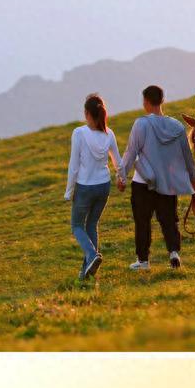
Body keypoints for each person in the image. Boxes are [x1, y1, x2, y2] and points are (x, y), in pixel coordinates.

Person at [119, 85, 195, 270]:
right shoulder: (177, 127)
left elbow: (131, 152)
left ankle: (143, 261)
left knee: (142, 222)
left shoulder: (141, 124)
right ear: (163, 101)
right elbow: (187, 155)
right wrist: (194, 177)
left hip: (143, 182)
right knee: (169, 219)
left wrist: (121, 177)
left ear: (146, 102)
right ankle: (174, 253)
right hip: (168, 183)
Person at [64, 94, 125, 280]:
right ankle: (86, 273)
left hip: (85, 187)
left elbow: (74, 165)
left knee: (76, 225)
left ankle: (92, 256)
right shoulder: (109, 133)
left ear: (88, 113)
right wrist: (121, 178)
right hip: (103, 187)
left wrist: (69, 191)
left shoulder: (79, 133)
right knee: (92, 224)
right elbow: (118, 162)